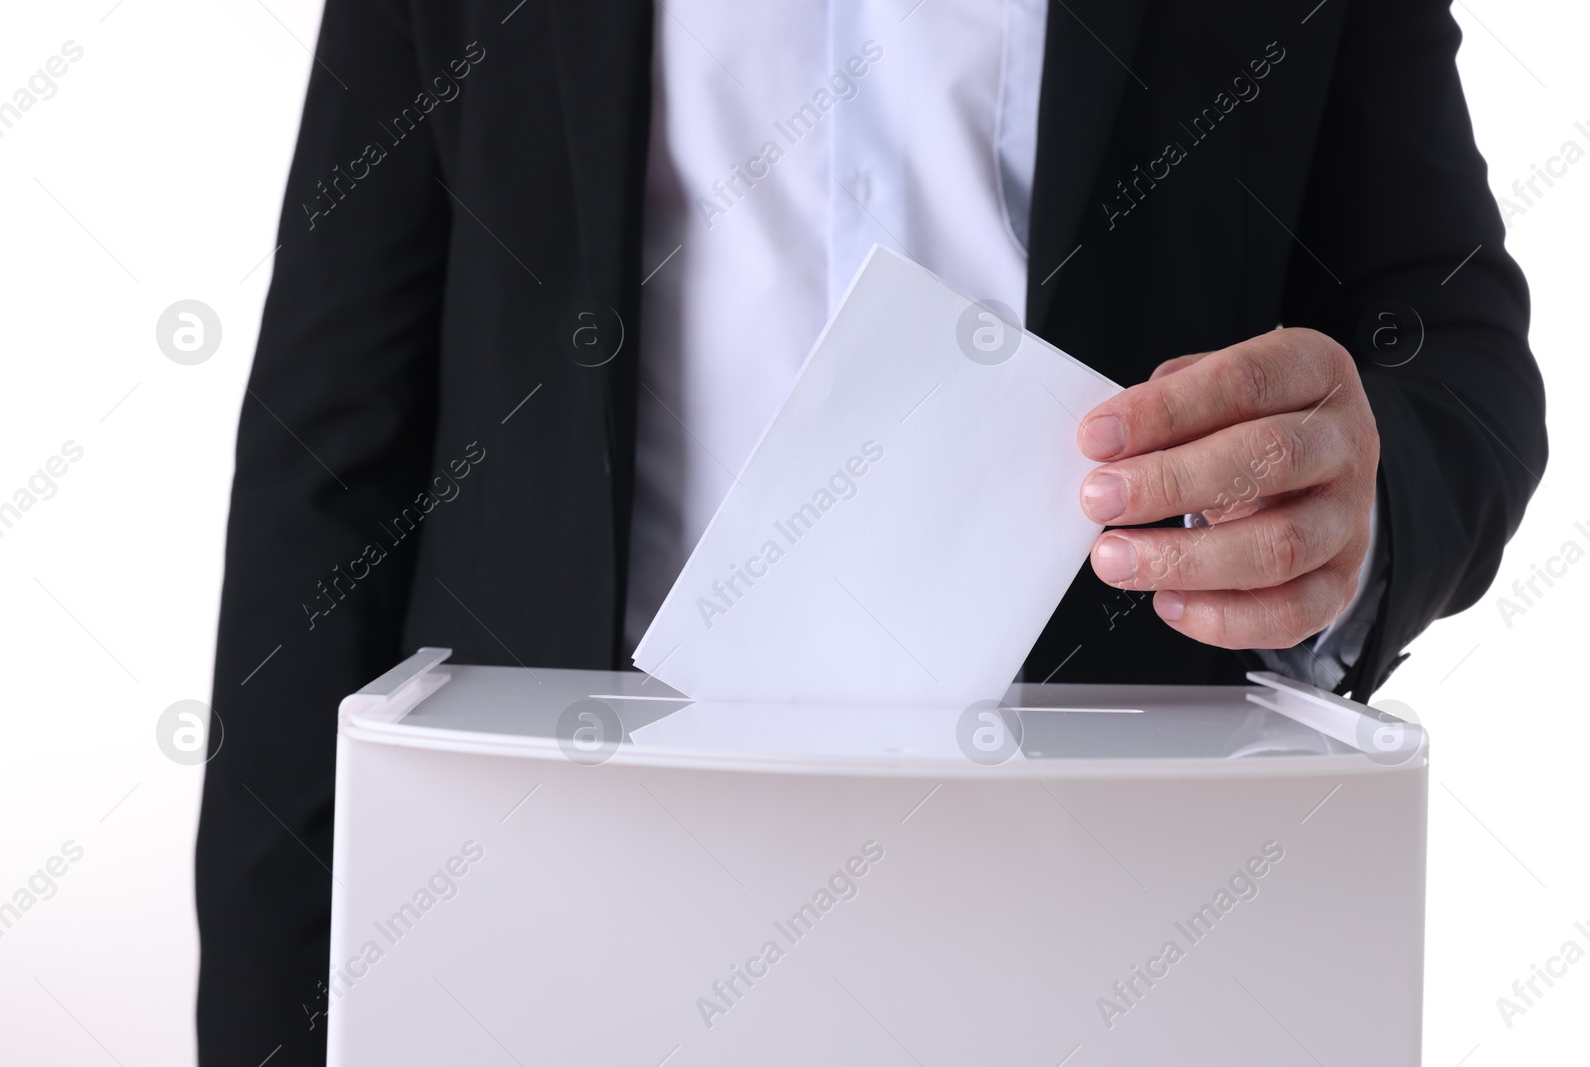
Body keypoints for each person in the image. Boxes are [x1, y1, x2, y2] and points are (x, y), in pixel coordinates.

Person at [197, 0, 1547, 1061]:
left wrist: (1359, 510)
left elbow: (1449, 339)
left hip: (1124, 917)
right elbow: (331, 456)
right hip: (550, 910)